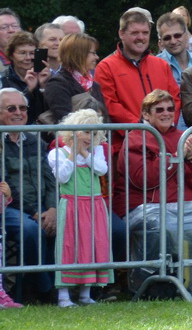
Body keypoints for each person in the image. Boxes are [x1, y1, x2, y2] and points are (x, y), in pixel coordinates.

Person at [117, 89, 192, 299]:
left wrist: (190, 158)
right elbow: (143, 180)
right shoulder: (135, 138)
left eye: (170, 109)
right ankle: (154, 287)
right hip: (146, 206)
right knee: (166, 227)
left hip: (188, 204)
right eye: (159, 109)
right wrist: (176, 159)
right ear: (146, 114)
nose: (166, 113)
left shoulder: (186, 137)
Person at [47, 109, 113, 306]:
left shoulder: (97, 151)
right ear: (73, 132)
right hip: (72, 204)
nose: (89, 137)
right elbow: (62, 176)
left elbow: (102, 169)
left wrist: (84, 152)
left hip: (94, 205)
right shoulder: (57, 153)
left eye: (94, 133)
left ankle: (86, 294)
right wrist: (73, 154)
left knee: (91, 246)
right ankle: (64, 296)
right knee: (70, 246)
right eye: (85, 132)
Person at [1, 88, 56, 302]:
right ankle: (43, 289)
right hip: (10, 208)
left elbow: (50, 178)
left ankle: (78, 290)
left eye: (23, 108)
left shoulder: (34, 139)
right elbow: (6, 185)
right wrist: (34, 212)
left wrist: (51, 209)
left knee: (69, 222)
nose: (18, 112)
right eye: (11, 108)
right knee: (31, 229)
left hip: (41, 207)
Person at [93, 9, 180, 126]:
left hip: (163, 137)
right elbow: (109, 105)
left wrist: (167, 124)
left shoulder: (162, 65)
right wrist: (140, 126)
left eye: (145, 33)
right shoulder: (106, 67)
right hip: (127, 140)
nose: (141, 37)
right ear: (121, 34)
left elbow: (175, 99)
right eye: (135, 33)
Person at [39, 32, 106, 124]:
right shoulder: (57, 84)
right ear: (78, 54)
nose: (97, 57)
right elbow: (65, 121)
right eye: (93, 53)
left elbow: (105, 120)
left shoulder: (94, 85)